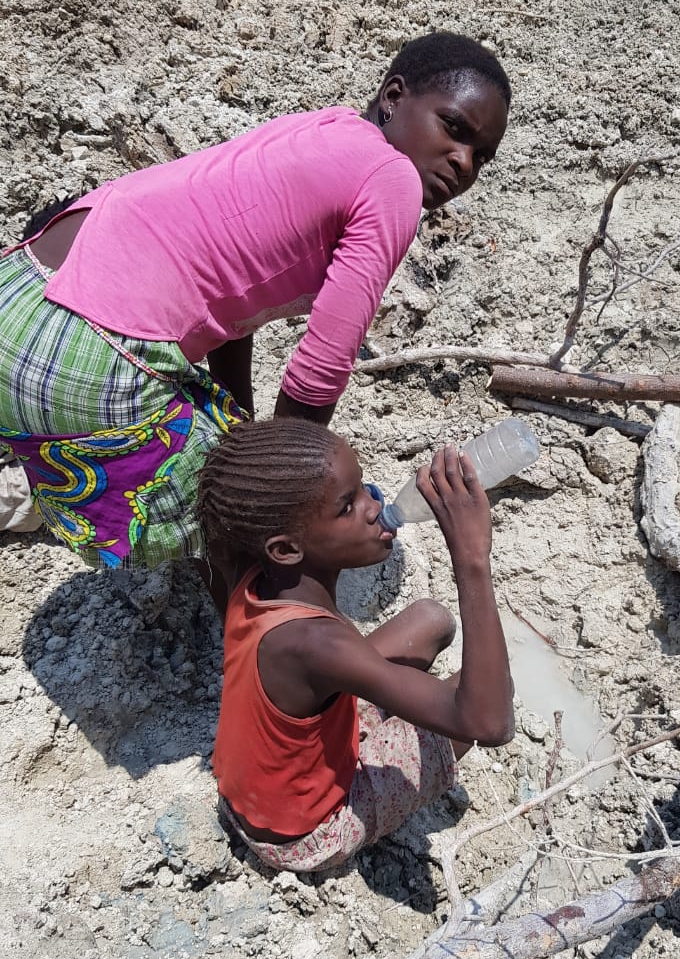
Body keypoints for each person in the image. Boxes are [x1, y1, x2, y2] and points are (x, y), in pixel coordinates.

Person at [0, 32, 510, 569]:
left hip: (20, 289)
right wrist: (287, 504)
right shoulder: (393, 181)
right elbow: (320, 369)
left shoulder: (324, 128)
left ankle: (44, 486)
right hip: (82, 349)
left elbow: (233, 306)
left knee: (224, 450)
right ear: (393, 96)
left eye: (482, 156)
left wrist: (240, 428)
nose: (463, 162)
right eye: (454, 129)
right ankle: (248, 637)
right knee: (229, 516)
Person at [196, 417, 514, 873]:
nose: (374, 505)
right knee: (489, 686)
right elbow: (489, 721)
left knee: (430, 620)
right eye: (347, 506)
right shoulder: (317, 643)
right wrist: (472, 560)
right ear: (286, 550)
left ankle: (384, 714)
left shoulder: (253, 577)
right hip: (304, 832)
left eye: (364, 487)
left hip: (256, 789)